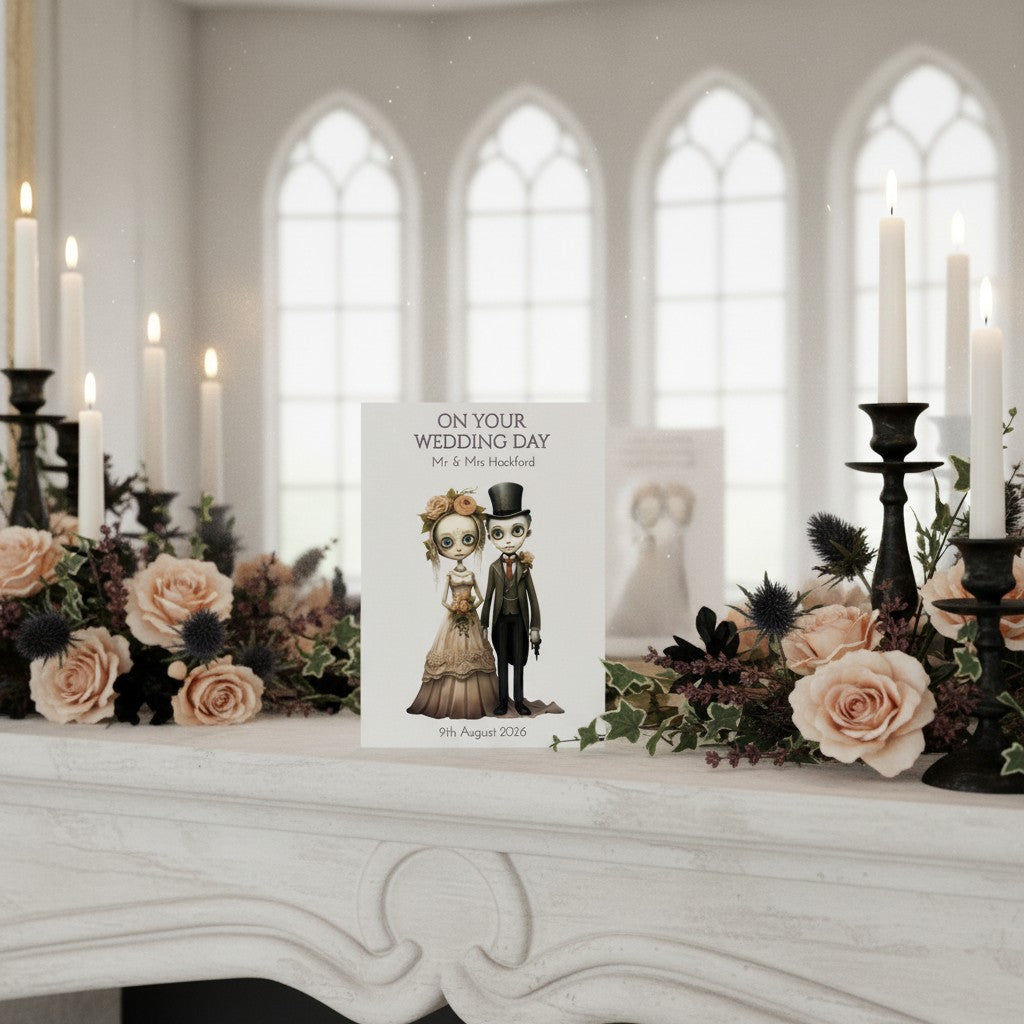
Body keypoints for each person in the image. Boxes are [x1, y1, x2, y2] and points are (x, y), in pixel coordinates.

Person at [406, 489, 501, 719]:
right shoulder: (449, 575)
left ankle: (477, 700)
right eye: (448, 542)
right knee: (450, 654)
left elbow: (481, 596)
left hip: (470, 616)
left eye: (466, 540)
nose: (458, 548)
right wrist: (454, 607)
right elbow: (443, 599)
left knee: (476, 654)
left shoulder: (469, 574)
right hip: (454, 618)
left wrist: (471, 605)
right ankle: (450, 699)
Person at [480, 482, 562, 718]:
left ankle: (519, 700)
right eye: (498, 533)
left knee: (519, 661)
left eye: (515, 531)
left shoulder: (525, 568)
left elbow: (533, 598)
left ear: (528, 531)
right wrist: (484, 624)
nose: (507, 540)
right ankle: (502, 702)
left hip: (519, 620)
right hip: (500, 621)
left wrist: (535, 627)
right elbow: (488, 597)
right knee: (501, 661)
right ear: (490, 536)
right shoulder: (494, 568)